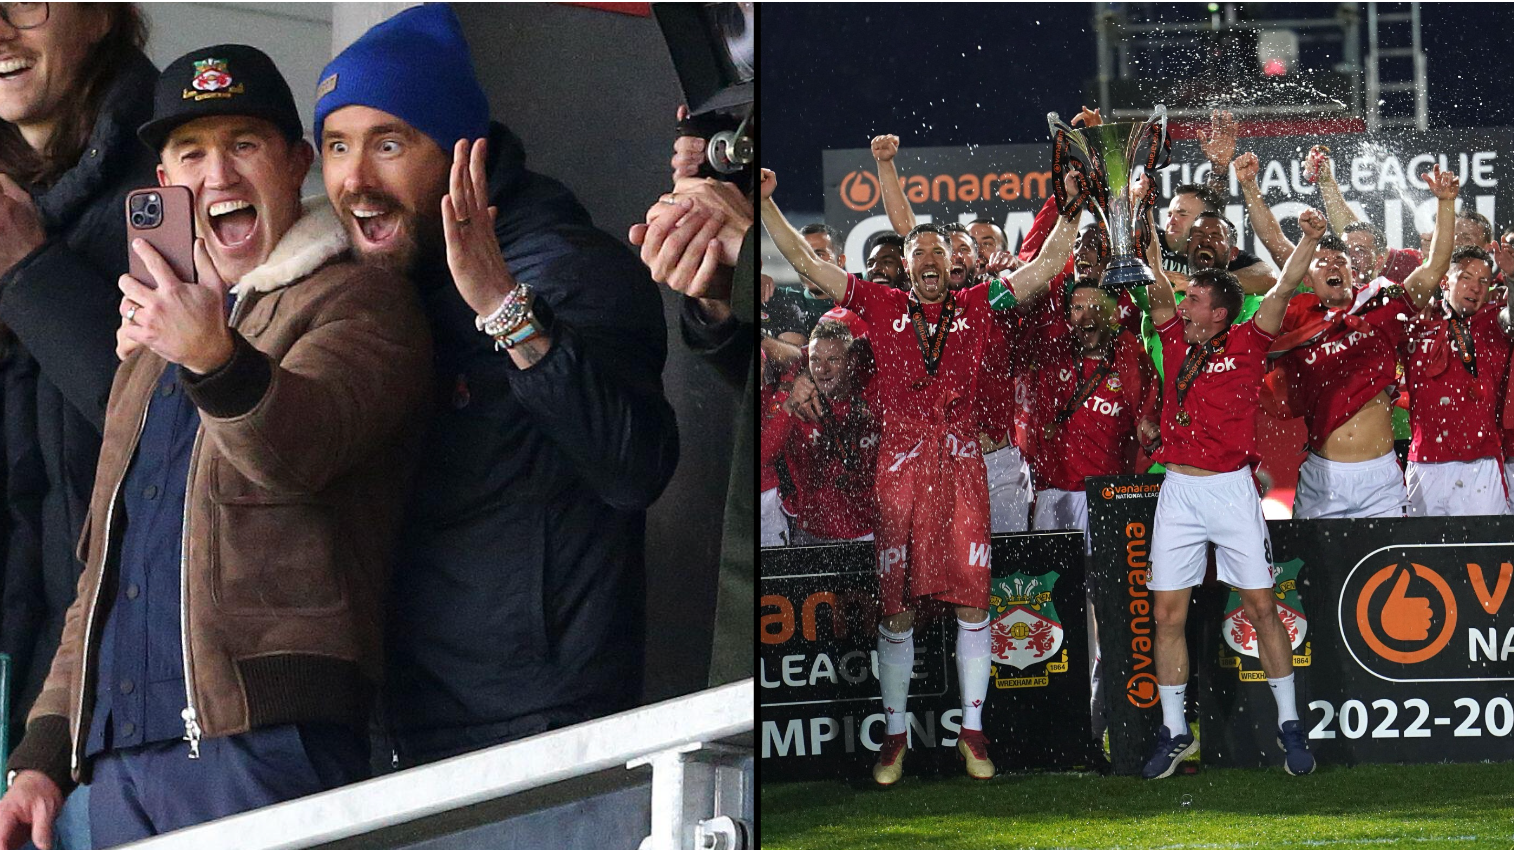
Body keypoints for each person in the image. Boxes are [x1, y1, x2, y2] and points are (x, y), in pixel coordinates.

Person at [0, 44, 431, 847]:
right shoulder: (154, 340)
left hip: (265, 746)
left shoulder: (359, 297)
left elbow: (299, 447)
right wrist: (42, 755)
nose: (219, 176)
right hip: (118, 762)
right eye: (190, 154)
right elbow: (103, 569)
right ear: (163, 188)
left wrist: (213, 355)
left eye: (244, 145)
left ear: (296, 164)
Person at [313, 4, 683, 763]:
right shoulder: (371, 288)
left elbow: (634, 467)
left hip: (540, 730)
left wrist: (503, 310)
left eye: (388, 143)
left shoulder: (565, 266)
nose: (353, 179)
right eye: (336, 145)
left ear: (461, 156)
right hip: (400, 727)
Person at [763, 161, 1080, 785]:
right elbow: (808, 266)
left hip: (962, 469)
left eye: (939, 250)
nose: (931, 259)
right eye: (920, 251)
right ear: (906, 264)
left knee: (972, 605)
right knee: (896, 612)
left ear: (949, 261)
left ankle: (973, 731)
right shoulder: (879, 303)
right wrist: (769, 203)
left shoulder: (978, 302)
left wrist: (1071, 211)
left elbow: (1042, 270)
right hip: (901, 472)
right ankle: (896, 734)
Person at [0, 4, 157, 844]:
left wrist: (27, 273)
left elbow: (169, 428)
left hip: (115, 708)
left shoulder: (171, 176)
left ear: (101, 14)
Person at [1139, 207, 1316, 781]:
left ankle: (1290, 725)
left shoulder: (1247, 341)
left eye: (1194, 300)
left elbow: (1286, 284)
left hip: (1232, 492)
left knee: (1263, 607)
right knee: (1166, 616)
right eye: (1184, 298)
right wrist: (1136, 214)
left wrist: (1309, 240)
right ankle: (1173, 733)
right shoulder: (1173, 337)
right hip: (1179, 494)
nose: (1182, 305)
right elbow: (1156, 285)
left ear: (1219, 312)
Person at [1265, 167, 1459, 519]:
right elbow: (1275, 245)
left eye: (1341, 261)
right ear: (1309, 277)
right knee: (1319, 572)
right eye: (1322, 262)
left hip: (1380, 479)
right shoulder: (1296, 316)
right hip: (1322, 477)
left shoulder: (1383, 306)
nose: (1334, 265)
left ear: (1354, 274)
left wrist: (1446, 203)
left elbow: (1435, 267)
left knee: (1390, 572)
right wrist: (1249, 186)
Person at [1402, 244, 1513, 516]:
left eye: (1483, 281)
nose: (1475, 287)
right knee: (1422, 555)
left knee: (1487, 555)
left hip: (1481, 463)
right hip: (1424, 463)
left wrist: (1511, 277)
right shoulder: (1416, 321)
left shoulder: (1495, 321)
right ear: (1444, 281)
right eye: (1466, 277)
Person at [768, 314, 879, 545]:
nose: (823, 369)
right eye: (816, 360)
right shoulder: (795, 392)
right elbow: (765, 454)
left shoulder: (874, 387)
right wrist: (789, 404)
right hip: (812, 532)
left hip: (871, 530)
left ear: (852, 359)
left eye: (833, 359)